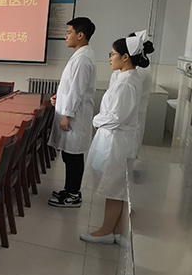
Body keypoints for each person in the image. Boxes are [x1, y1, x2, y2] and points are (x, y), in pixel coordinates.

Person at [79, 35, 154, 244]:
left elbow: (115, 117)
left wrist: (96, 120)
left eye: (112, 54)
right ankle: (117, 231)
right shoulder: (127, 77)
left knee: (113, 188)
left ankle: (106, 232)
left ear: (126, 57)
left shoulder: (127, 82)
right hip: (117, 139)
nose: (110, 58)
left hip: (117, 142)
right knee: (116, 187)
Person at [47, 17, 97, 208]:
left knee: (73, 156)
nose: (66, 36)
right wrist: (58, 97)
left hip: (75, 116)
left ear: (80, 35)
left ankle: (74, 194)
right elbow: (69, 87)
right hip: (72, 113)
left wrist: (67, 114)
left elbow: (77, 90)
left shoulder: (83, 58)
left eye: (69, 32)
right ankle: (69, 190)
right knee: (69, 155)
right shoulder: (80, 55)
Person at [109, 31, 151, 156]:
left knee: (122, 155)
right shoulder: (128, 73)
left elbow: (118, 112)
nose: (111, 58)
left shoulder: (131, 77)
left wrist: (98, 121)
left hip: (126, 119)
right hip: (122, 119)